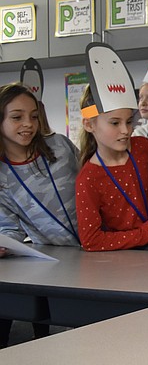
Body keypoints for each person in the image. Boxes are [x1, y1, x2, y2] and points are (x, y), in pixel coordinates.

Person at [0, 83, 79, 348]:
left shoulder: (59, 146)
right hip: (58, 261)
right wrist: (4, 244)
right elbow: (9, 227)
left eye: (34, 116)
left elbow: (93, 181)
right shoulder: (1, 174)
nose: (28, 124)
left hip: (102, 248)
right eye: (16, 117)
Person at [75, 62, 148, 251]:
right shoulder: (88, 179)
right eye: (114, 123)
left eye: (129, 122)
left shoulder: (142, 148)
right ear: (89, 125)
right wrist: (145, 233)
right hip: (127, 260)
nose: (125, 131)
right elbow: (91, 241)